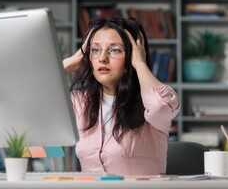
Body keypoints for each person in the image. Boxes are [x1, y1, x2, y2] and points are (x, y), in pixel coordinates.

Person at [63, 17, 180, 176]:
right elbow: (30, 98)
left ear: (133, 54)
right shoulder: (80, 103)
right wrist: (69, 64)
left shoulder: (151, 102)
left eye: (115, 50)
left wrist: (140, 64)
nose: (102, 58)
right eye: (95, 50)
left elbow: (161, 107)